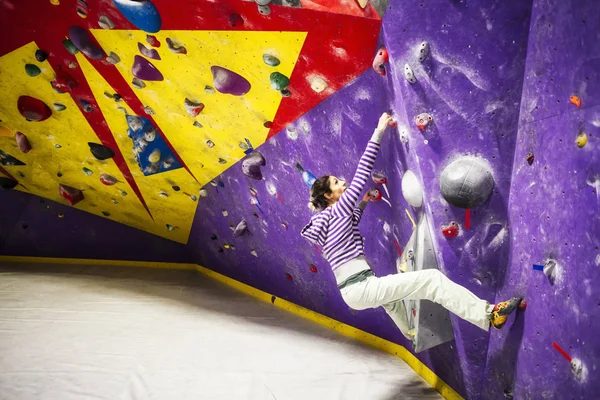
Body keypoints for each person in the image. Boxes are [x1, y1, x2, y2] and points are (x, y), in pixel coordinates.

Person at [300, 112, 521, 339]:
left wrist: (364, 203)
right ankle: (488, 315)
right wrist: (379, 130)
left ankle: (410, 333)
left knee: (391, 302)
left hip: (352, 290)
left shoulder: (326, 223)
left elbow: (351, 223)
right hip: (361, 286)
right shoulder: (337, 209)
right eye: (336, 183)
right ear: (328, 195)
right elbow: (361, 172)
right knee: (432, 280)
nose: (342, 182)